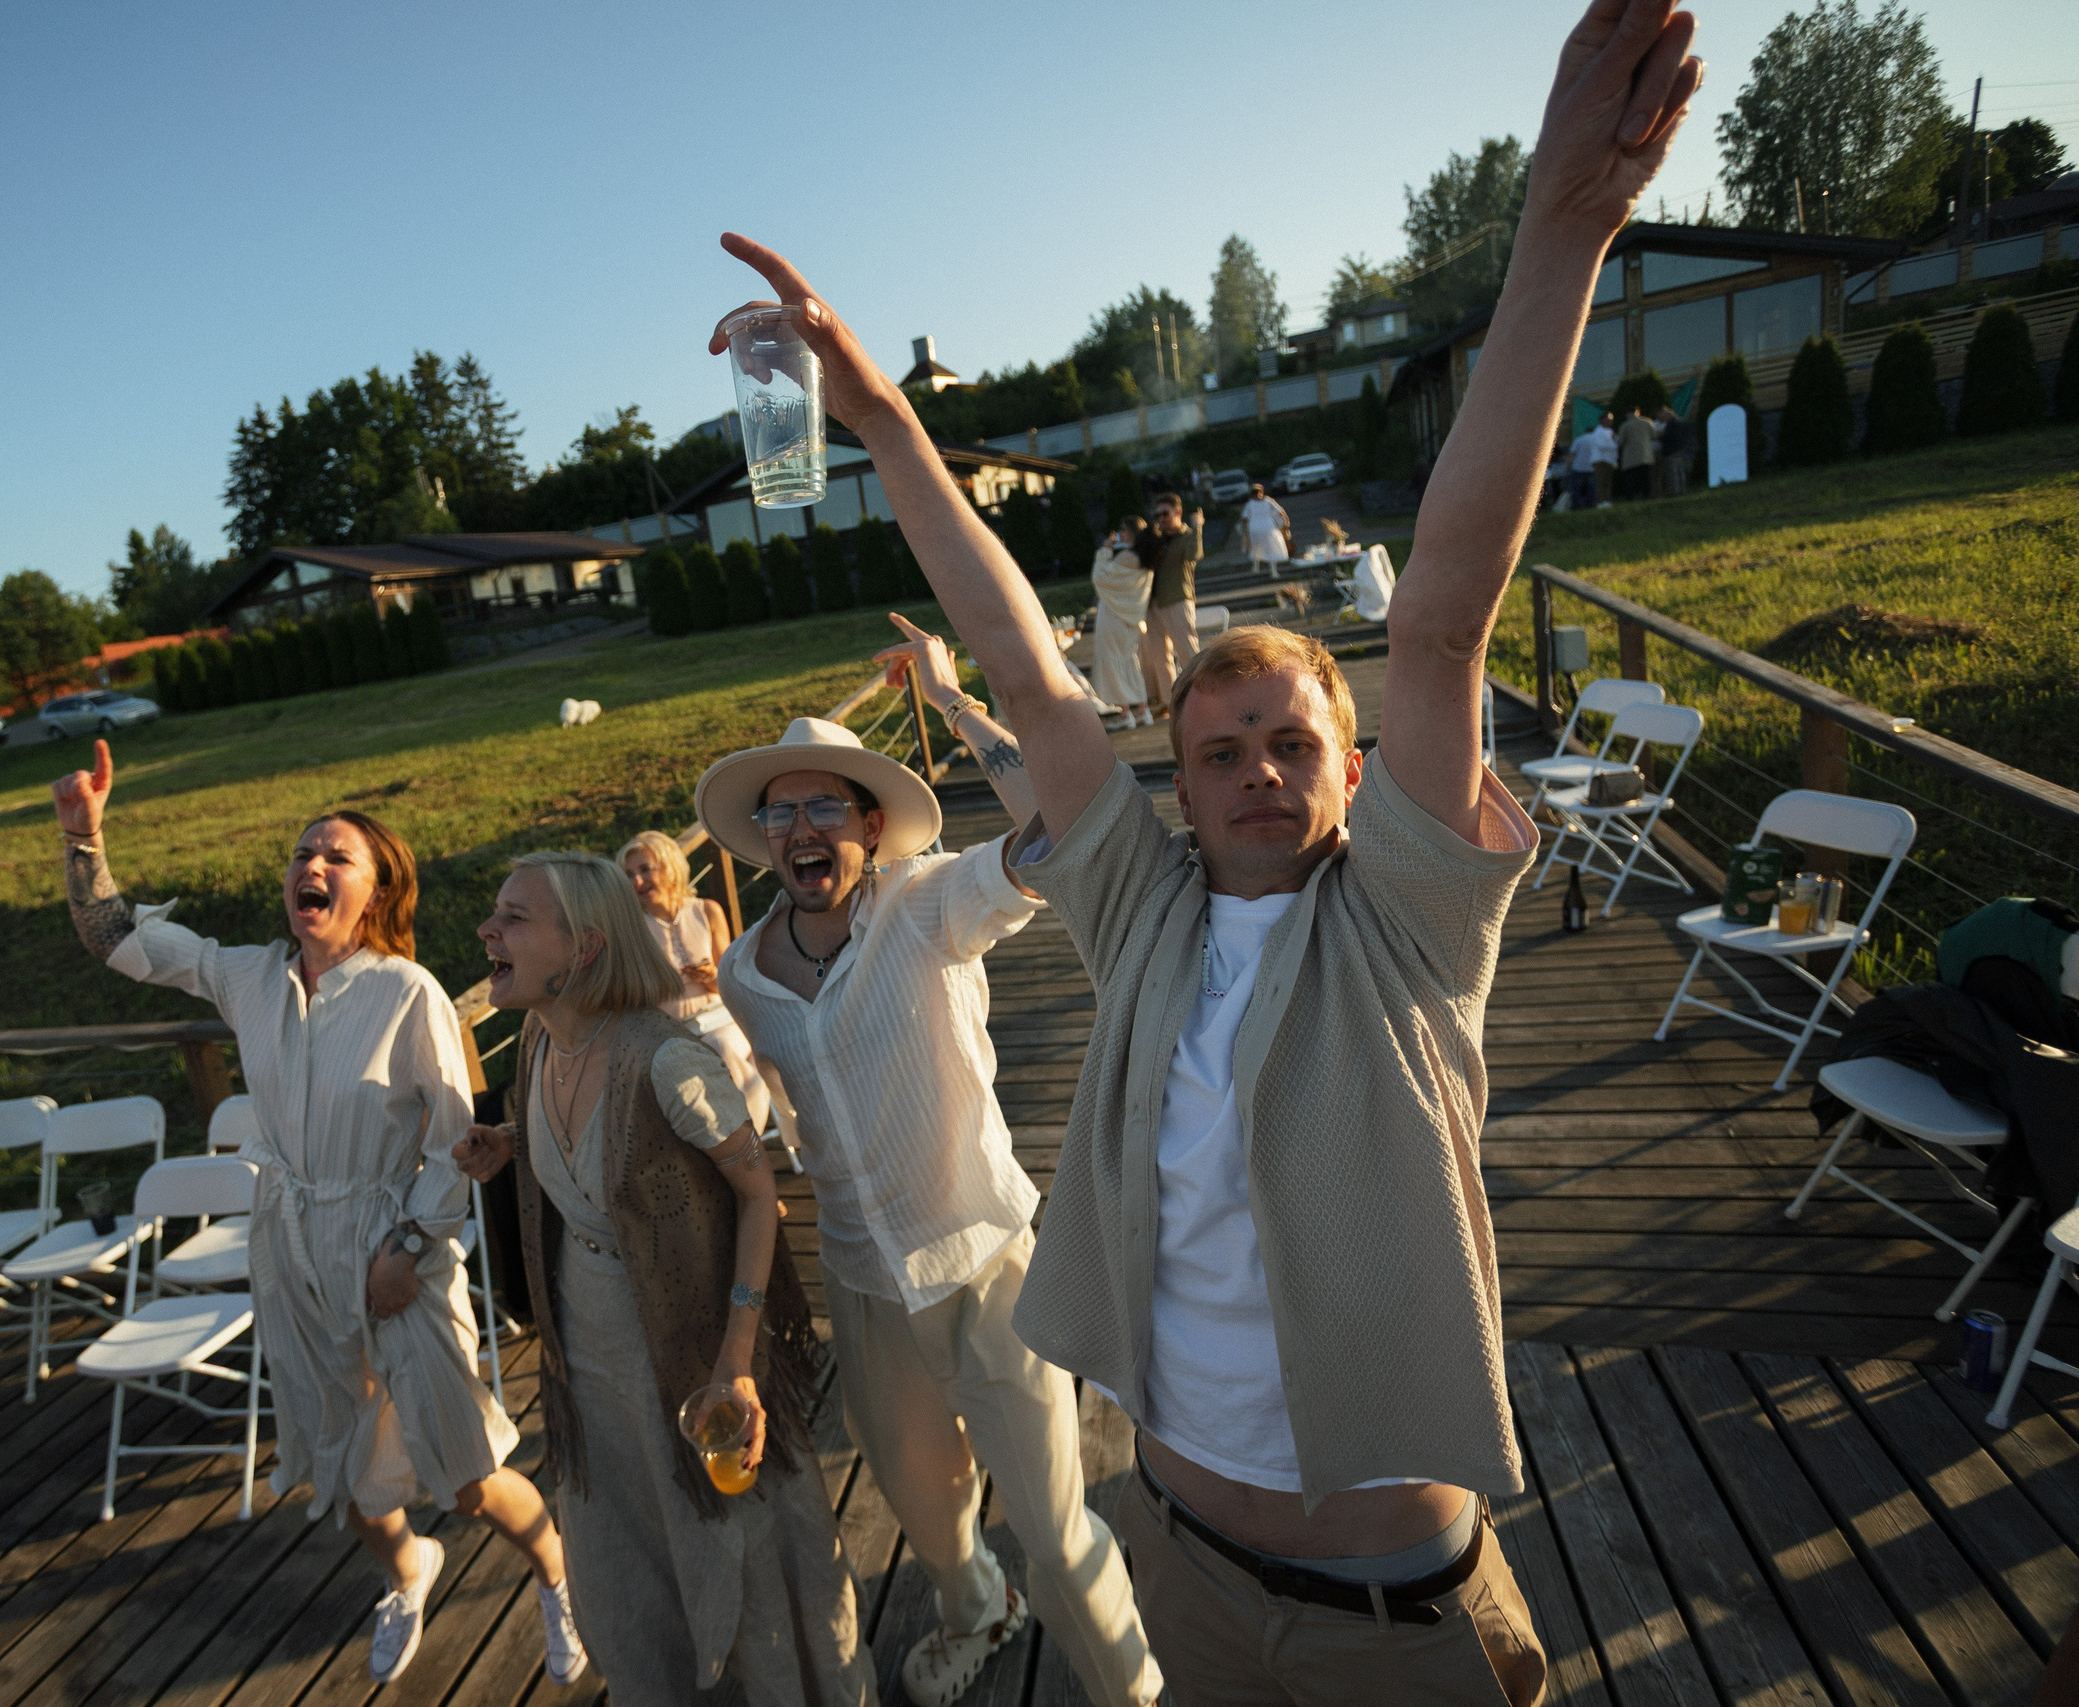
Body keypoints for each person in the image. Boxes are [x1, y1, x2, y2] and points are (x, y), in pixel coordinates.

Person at [703, 2, 1701, 1696]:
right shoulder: (1146, 920)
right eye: (1217, 749)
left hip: (1394, 1604)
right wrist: (881, 421)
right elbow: (1024, 668)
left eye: (1290, 745)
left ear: (1353, 767)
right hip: (1177, 1544)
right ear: (1175, 778)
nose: (1251, 770)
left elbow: (1447, 618)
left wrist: (1563, 234)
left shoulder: (1404, 920)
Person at [685, 623, 1162, 1707]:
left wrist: (954, 702)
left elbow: (1058, 822)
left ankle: (1134, 1691)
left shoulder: (928, 905)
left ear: (868, 826)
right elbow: (782, 1094)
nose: (800, 828)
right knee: (925, 1507)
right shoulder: (741, 972)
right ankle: (973, 1608)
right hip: (862, 1276)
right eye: (780, 811)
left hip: (986, 1260)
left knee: (1056, 1526)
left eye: (824, 808)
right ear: (762, 840)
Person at [51, 740, 582, 1688]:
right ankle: (408, 1568)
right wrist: (83, 835)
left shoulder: (405, 992)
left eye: (338, 856)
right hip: (289, 1243)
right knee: (337, 1470)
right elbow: (111, 937)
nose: (313, 865)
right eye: (303, 852)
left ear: (374, 891)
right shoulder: (244, 975)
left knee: (464, 1472)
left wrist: (408, 1247)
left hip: (393, 1244)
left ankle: (557, 1575)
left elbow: (455, 1143)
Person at [453, 851, 872, 1707]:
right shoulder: (539, 1041)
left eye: (515, 917)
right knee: (630, 1547)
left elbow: (761, 1198)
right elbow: (597, 1160)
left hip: (686, 1348)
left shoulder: (668, 1062)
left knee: (742, 1546)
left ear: (585, 946)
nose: (487, 931)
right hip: (588, 1350)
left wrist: (737, 1362)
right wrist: (513, 1146)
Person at [615, 828, 777, 1136]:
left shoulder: (706, 911)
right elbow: (631, 995)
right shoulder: (633, 930)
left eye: (645, 870)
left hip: (719, 1017)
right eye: (629, 874)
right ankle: (719, 1141)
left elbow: (731, 981)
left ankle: (745, 1138)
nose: (637, 881)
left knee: (726, 1046)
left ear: (670, 867)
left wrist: (712, 976)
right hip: (671, 1028)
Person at [1139, 494, 1201, 719]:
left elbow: (1195, 554)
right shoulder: (1156, 538)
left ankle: (1202, 698)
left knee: (1187, 651)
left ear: (1177, 512)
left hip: (1176, 599)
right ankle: (1170, 703)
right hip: (1153, 604)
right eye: (1157, 515)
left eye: (1165, 514)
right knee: (1159, 657)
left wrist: (1198, 527)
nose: (1161, 519)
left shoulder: (1187, 536)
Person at [1089, 519, 1154, 728]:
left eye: (1124, 530)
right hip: (1131, 617)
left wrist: (1105, 550)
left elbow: (1100, 577)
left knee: (1112, 662)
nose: (1120, 533)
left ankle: (1126, 714)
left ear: (1132, 532)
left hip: (1113, 614)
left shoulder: (1128, 556)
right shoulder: (1146, 558)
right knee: (1129, 661)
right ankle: (1143, 711)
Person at [1242, 481, 1291, 580]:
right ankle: (1273, 571)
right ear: (1261, 492)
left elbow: (1244, 518)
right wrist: (1285, 524)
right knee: (1271, 547)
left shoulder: (1250, 504)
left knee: (1255, 546)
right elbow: (1281, 512)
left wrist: (1245, 533)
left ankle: (1255, 568)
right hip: (1268, 526)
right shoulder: (1268, 501)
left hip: (1254, 526)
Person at [1615, 402, 1658, 501]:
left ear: (1627, 414)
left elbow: (1620, 441)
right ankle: (1647, 495)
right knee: (1646, 478)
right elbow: (1654, 435)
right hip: (1645, 454)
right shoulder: (1647, 422)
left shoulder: (1625, 426)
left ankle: (1630, 497)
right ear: (1638, 412)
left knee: (1630, 479)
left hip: (1630, 456)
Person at [1657, 403, 1693, 496]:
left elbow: (1669, 437)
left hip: (1671, 452)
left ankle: (1675, 491)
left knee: (1673, 473)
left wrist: (1660, 436)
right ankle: (1682, 490)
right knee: (1680, 472)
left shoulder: (1671, 425)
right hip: (1680, 450)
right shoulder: (1680, 423)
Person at [1585, 411, 1620, 507]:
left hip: (1609, 460)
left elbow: (1616, 442)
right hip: (1600, 460)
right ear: (1603, 420)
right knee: (1601, 481)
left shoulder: (1610, 432)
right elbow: (1602, 445)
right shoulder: (1598, 432)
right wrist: (1614, 445)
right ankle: (1600, 502)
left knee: (1606, 482)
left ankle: (1605, 500)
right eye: (1609, 419)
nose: (1611, 421)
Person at [1561, 434, 1595, 509]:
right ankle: (1590, 505)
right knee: (1591, 490)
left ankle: (1576, 506)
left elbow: (1572, 454)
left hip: (1578, 468)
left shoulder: (1579, 440)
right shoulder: (1596, 440)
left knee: (1576, 490)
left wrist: (1567, 466)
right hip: (1592, 468)